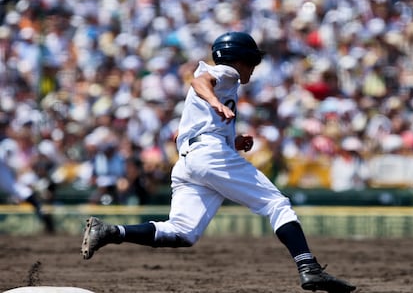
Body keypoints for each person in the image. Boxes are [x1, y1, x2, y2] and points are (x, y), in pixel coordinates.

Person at [81, 32, 356, 293]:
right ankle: (309, 266)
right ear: (239, 58)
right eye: (252, 60)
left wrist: (233, 141)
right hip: (207, 157)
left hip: (190, 161)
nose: (254, 67)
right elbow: (199, 81)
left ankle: (109, 232)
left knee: (182, 232)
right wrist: (215, 103)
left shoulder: (228, 83)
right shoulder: (228, 72)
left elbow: (193, 127)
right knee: (277, 204)